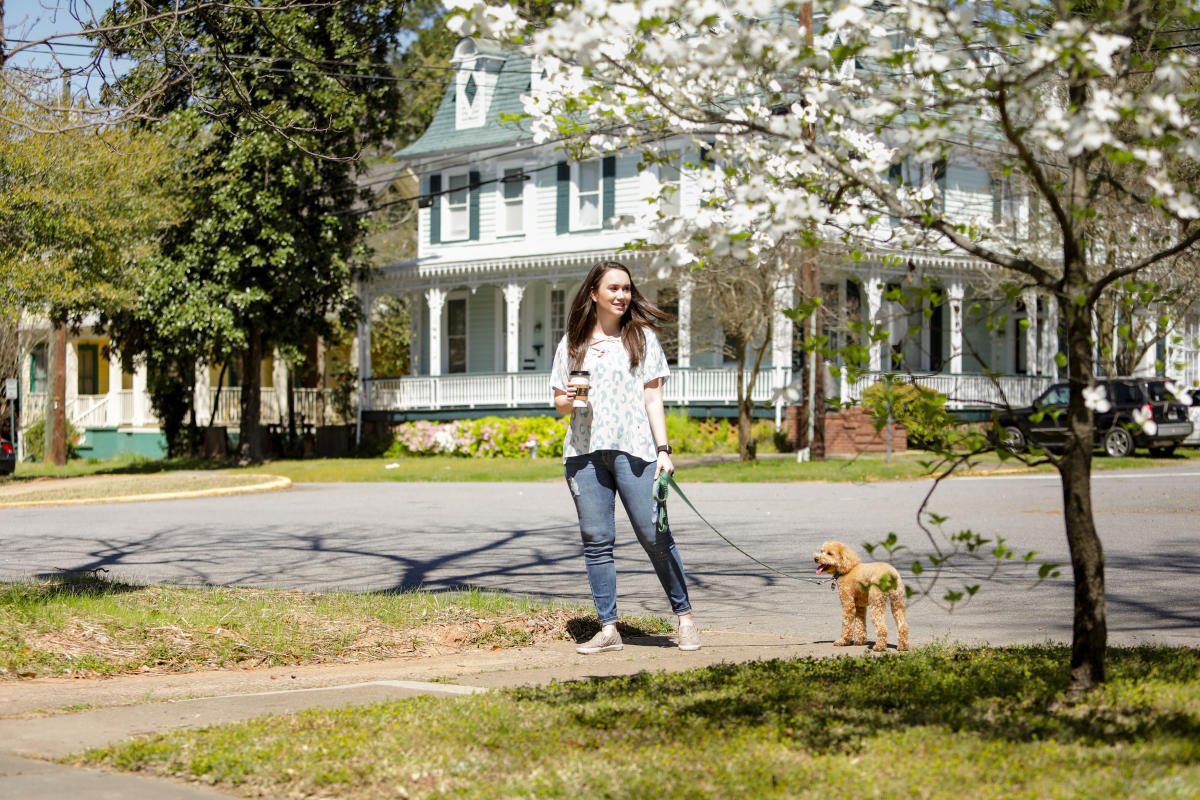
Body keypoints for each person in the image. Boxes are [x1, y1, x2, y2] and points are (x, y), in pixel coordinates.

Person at [551, 260, 699, 653]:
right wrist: (564, 399)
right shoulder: (571, 343)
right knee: (597, 541)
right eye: (613, 288)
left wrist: (663, 450)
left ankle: (684, 619)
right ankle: (608, 628)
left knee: (654, 535)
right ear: (593, 293)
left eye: (626, 289)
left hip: (635, 451)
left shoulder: (642, 339)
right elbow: (560, 405)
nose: (621, 295)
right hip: (584, 454)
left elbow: (653, 399)